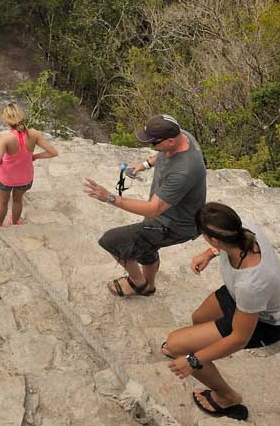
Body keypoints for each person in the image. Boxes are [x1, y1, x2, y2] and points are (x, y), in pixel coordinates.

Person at [160, 203, 280, 421]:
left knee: (177, 347)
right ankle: (202, 349)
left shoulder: (252, 283)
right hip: (238, 297)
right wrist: (208, 254)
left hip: (265, 322)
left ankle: (228, 396)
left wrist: (193, 360)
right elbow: (222, 244)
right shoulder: (241, 226)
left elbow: (239, 339)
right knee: (199, 318)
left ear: (214, 239)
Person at [83, 114, 207, 298]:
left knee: (111, 241)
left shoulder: (184, 171)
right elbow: (162, 153)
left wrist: (109, 197)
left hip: (172, 224)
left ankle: (138, 283)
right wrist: (144, 164)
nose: (151, 146)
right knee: (146, 248)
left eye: (153, 143)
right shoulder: (182, 136)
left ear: (170, 140)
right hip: (165, 216)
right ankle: (149, 286)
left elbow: (153, 208)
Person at [0, 103, 59, 226]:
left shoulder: (6, 138)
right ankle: (15, 223)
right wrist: (35, 157)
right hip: (25, 178)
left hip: (6, 179)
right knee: (17, 200)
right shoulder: (34, 133)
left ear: (6, 121)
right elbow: (53, 152)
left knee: (3, 201)